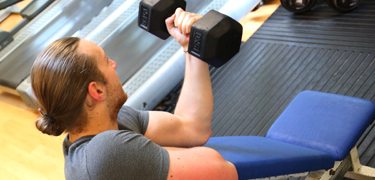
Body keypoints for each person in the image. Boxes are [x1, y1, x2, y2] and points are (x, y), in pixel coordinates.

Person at [31, 8, 238, 180]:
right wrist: (154, 153)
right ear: (97, 90)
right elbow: (224, 171)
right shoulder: (105, 152)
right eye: (106, 62)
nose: (114, 64)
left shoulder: (113, 119)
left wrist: (191, 48)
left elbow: (193, 128)